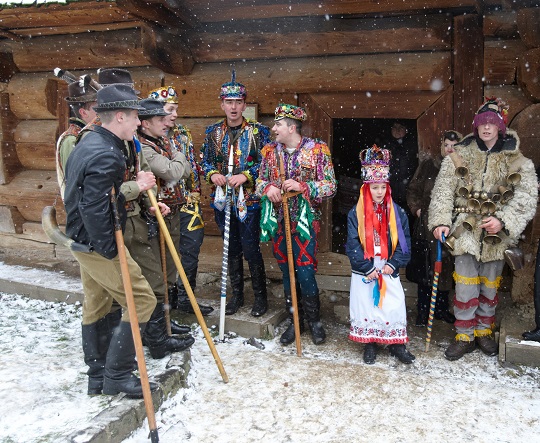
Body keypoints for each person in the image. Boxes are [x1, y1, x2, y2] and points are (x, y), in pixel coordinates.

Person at [78, 68, 195, 360]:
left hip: (132, 219)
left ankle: (150, 339)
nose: (138, 118)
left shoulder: (125, 139)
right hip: (106, 227)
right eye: (133, 111)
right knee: (118, 295)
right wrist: (136, 190)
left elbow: (133, 174)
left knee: (150, 282)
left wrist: (148, 203)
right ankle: (126, 355)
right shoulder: (93, 140)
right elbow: (95, 194)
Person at [64, 84, 159, 398]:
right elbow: (93, 207)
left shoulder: (90, 142)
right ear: (120, 116)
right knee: (142, 300)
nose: (138, 124)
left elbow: (87, 197)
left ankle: (99, 377)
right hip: (97, 243)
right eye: (134, 118)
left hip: (81, 239)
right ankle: (117, 376)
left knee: (98, 305)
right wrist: (108, 251)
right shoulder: (107, 153)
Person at [429, 98, 538, 361]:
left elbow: (526, 197)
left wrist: (503, 220)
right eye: (482, 124)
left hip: (496, 236)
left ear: (500, 127)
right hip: (465, 232)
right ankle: (464, 335)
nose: (486, 128)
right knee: (465, 286)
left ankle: (484, 331)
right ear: (476, 127)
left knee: (490, 286)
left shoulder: (518, 161)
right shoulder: (458, 156)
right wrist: (441, 220)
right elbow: (443, 191)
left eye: (492, 123)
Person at [256, 103, 337, 345]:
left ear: (292, 128)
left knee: (304, 272)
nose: (274, 128)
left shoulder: (317, 150)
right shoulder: (270, 152)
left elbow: (331, 186)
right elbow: (259, 181)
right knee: (286, 272)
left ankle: (314, 321)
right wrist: (268, 187)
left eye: (278, 124)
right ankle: (295, 322)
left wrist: (305, 187)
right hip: (279, 223)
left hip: (304, 224)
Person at [200, 73, 271, 317]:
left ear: (244, 104)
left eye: (238, 102)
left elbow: (266, 163)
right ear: (222, 104)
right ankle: (237, 296)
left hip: (249, 202)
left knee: (251, 249)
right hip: (223, 201)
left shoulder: (259, 132)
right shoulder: (212, 133)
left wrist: (247, 176)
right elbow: (204, 163)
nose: (233, 107)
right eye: (229, 102)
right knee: (230, 249)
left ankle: (261, 298)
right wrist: (212, 176)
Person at [345, 145, 414, 364]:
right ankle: (370, 343)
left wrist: (393, 264)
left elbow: (404, 243)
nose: (379, 192)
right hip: (365, 267)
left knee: (393, 304)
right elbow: (352, 244)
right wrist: (367, 268)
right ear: (366, 188)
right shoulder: (355, 214)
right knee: (366, 305)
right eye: (375, 187)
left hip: (386, 266)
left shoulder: (397, 212)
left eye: (383, 187)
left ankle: (396, 344)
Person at [148, 86, 213, 316]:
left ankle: (186, 297)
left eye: (176, 109)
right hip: (163, 205)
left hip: (187, 201)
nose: (175, 114)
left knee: (191, 249)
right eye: (170, 109)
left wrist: (195, 191)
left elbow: (192, 166)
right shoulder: (148, 137)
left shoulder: (183, 132)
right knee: (165, 254)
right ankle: (166, 302)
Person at [406, 130, 462, 327]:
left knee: (445, 267)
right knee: (425, 268)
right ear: (441, 145)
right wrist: (417, 209)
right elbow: (413, 189)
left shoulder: (461, 167)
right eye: (447, 145)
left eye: (454, 146)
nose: (450, 149)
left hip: (451, 226)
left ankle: (440, 309)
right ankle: (423, 311)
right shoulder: (429, 165)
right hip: (426, 225)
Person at [56, 79, 98, 199]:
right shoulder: (71, 140)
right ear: (83, 113)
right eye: (98, 108)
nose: (103, 112)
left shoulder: (90, 135)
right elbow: (77, 184)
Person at [383, 121, 418, 218]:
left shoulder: (413, 146)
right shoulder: (385, 147)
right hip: (389, 195)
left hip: (408, 196)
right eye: (394, 127)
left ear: (406, 129)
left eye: (401, 127)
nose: (397, 130)